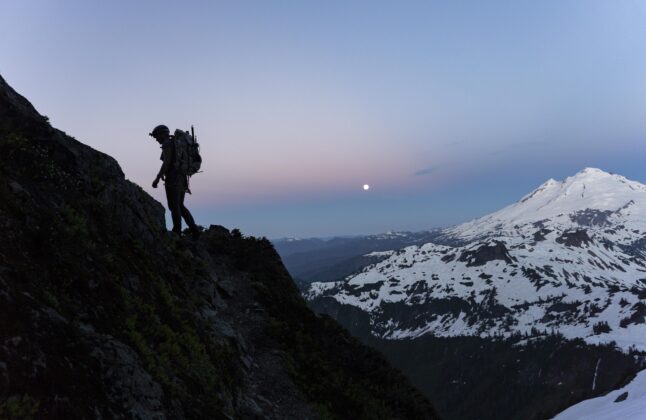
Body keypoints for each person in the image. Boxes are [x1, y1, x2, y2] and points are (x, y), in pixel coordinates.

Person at [149, 124, 200, 239]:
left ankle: (177, 231)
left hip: (173, 178)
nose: (156, 139)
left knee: (174, 206)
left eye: (157, 136)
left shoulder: (168, 144)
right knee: (180, 205)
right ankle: (195, 230)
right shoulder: (175, 143)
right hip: (182, 178)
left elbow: (166, 163)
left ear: (163, 134)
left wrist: (157, 178)